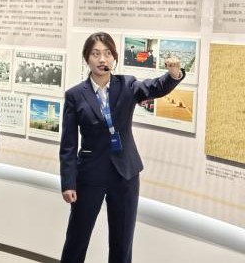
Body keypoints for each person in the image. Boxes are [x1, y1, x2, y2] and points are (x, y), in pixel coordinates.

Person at [59, 32, 184, 263]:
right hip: (90, 175)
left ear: (114, 58)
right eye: (96, 54)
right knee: (77, 238)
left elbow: (154, 87)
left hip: (125, 174)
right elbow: (68, 144)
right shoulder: (75, 95)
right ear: (87, 58)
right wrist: (68, 182)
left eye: (107, 53)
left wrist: (173, 75)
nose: (102, 59)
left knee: (122, 242)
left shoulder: (127, 85)